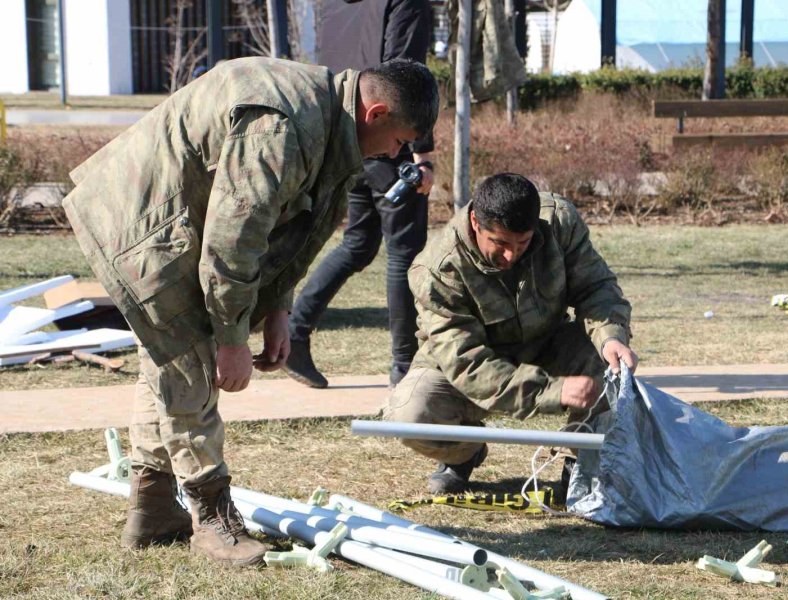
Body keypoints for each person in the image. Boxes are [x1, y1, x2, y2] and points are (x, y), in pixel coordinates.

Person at [62, 57, 438, 567]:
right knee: (191, 365)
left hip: (177, 220)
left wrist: (279, 307)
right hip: (146, 224)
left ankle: (152, 508)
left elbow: (290, 227)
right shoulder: (282, 127)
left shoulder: (328, 118)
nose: (398, 154)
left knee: (168, 362)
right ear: (374, 113)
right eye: (399, 141)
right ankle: (212, 518)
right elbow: (232, 241)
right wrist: (231, 339)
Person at [383, 173, 637, 494]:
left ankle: (583, 460)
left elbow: (596, 287)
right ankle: (464, 453)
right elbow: (466, 363)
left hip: (547, 344)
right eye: (500, 243)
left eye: (523, 243)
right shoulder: (437, 269)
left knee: (606, 358)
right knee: (409, 414)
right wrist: (550, 391)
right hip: (470, 365)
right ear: (476, 222)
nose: (510, 255)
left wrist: (611, 336)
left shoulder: (558, 223)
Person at [284, 0, 435, 389]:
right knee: (406, 252)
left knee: (359, 242)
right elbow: (407, 77)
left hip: (347, 131)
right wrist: (423, 153)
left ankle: (295, 334)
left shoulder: (333, 5)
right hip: (389, 137)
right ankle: (404, 369)